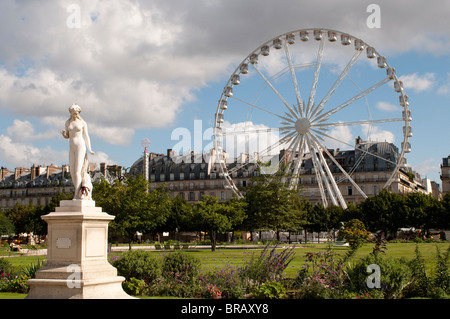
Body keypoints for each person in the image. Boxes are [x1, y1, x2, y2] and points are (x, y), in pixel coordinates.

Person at [61, 104, 95, 200]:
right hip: (72, 147)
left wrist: (89, 148)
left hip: (80, 146)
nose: (74, 115)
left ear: (78, 113)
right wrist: (64, 134)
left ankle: (77, 194)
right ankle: (78, 192)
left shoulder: (82, 123)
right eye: (72, 113)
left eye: (76, 113)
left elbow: (86, 136)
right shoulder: (68, 122)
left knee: (77, 172)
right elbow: (68, 135)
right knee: (72, 172)